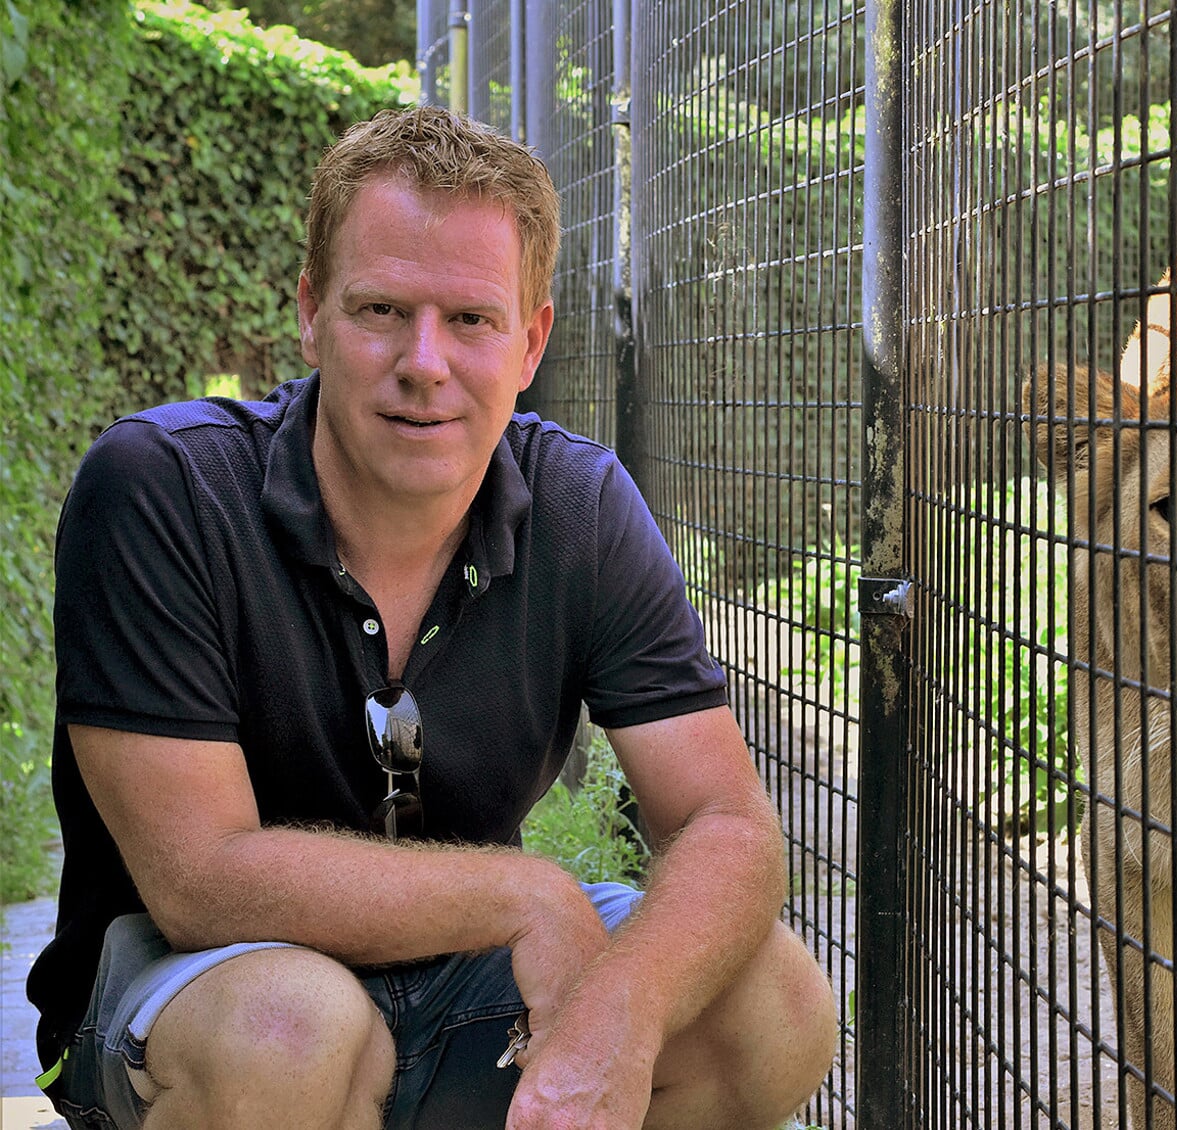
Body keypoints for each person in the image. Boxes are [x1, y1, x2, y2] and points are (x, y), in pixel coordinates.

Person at [26, 105, 838, 1130]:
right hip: (207, 991)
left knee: (777, 1001)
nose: (424, 361)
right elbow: (197, 876)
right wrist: (525, 895)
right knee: (292, 1031)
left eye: (470, 319)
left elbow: (728, 823)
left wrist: (621, 1011)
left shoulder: (581, 506)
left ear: (532, 339)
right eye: (379, 311)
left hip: (459, 989)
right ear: (312, 310)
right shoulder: (163, 487)